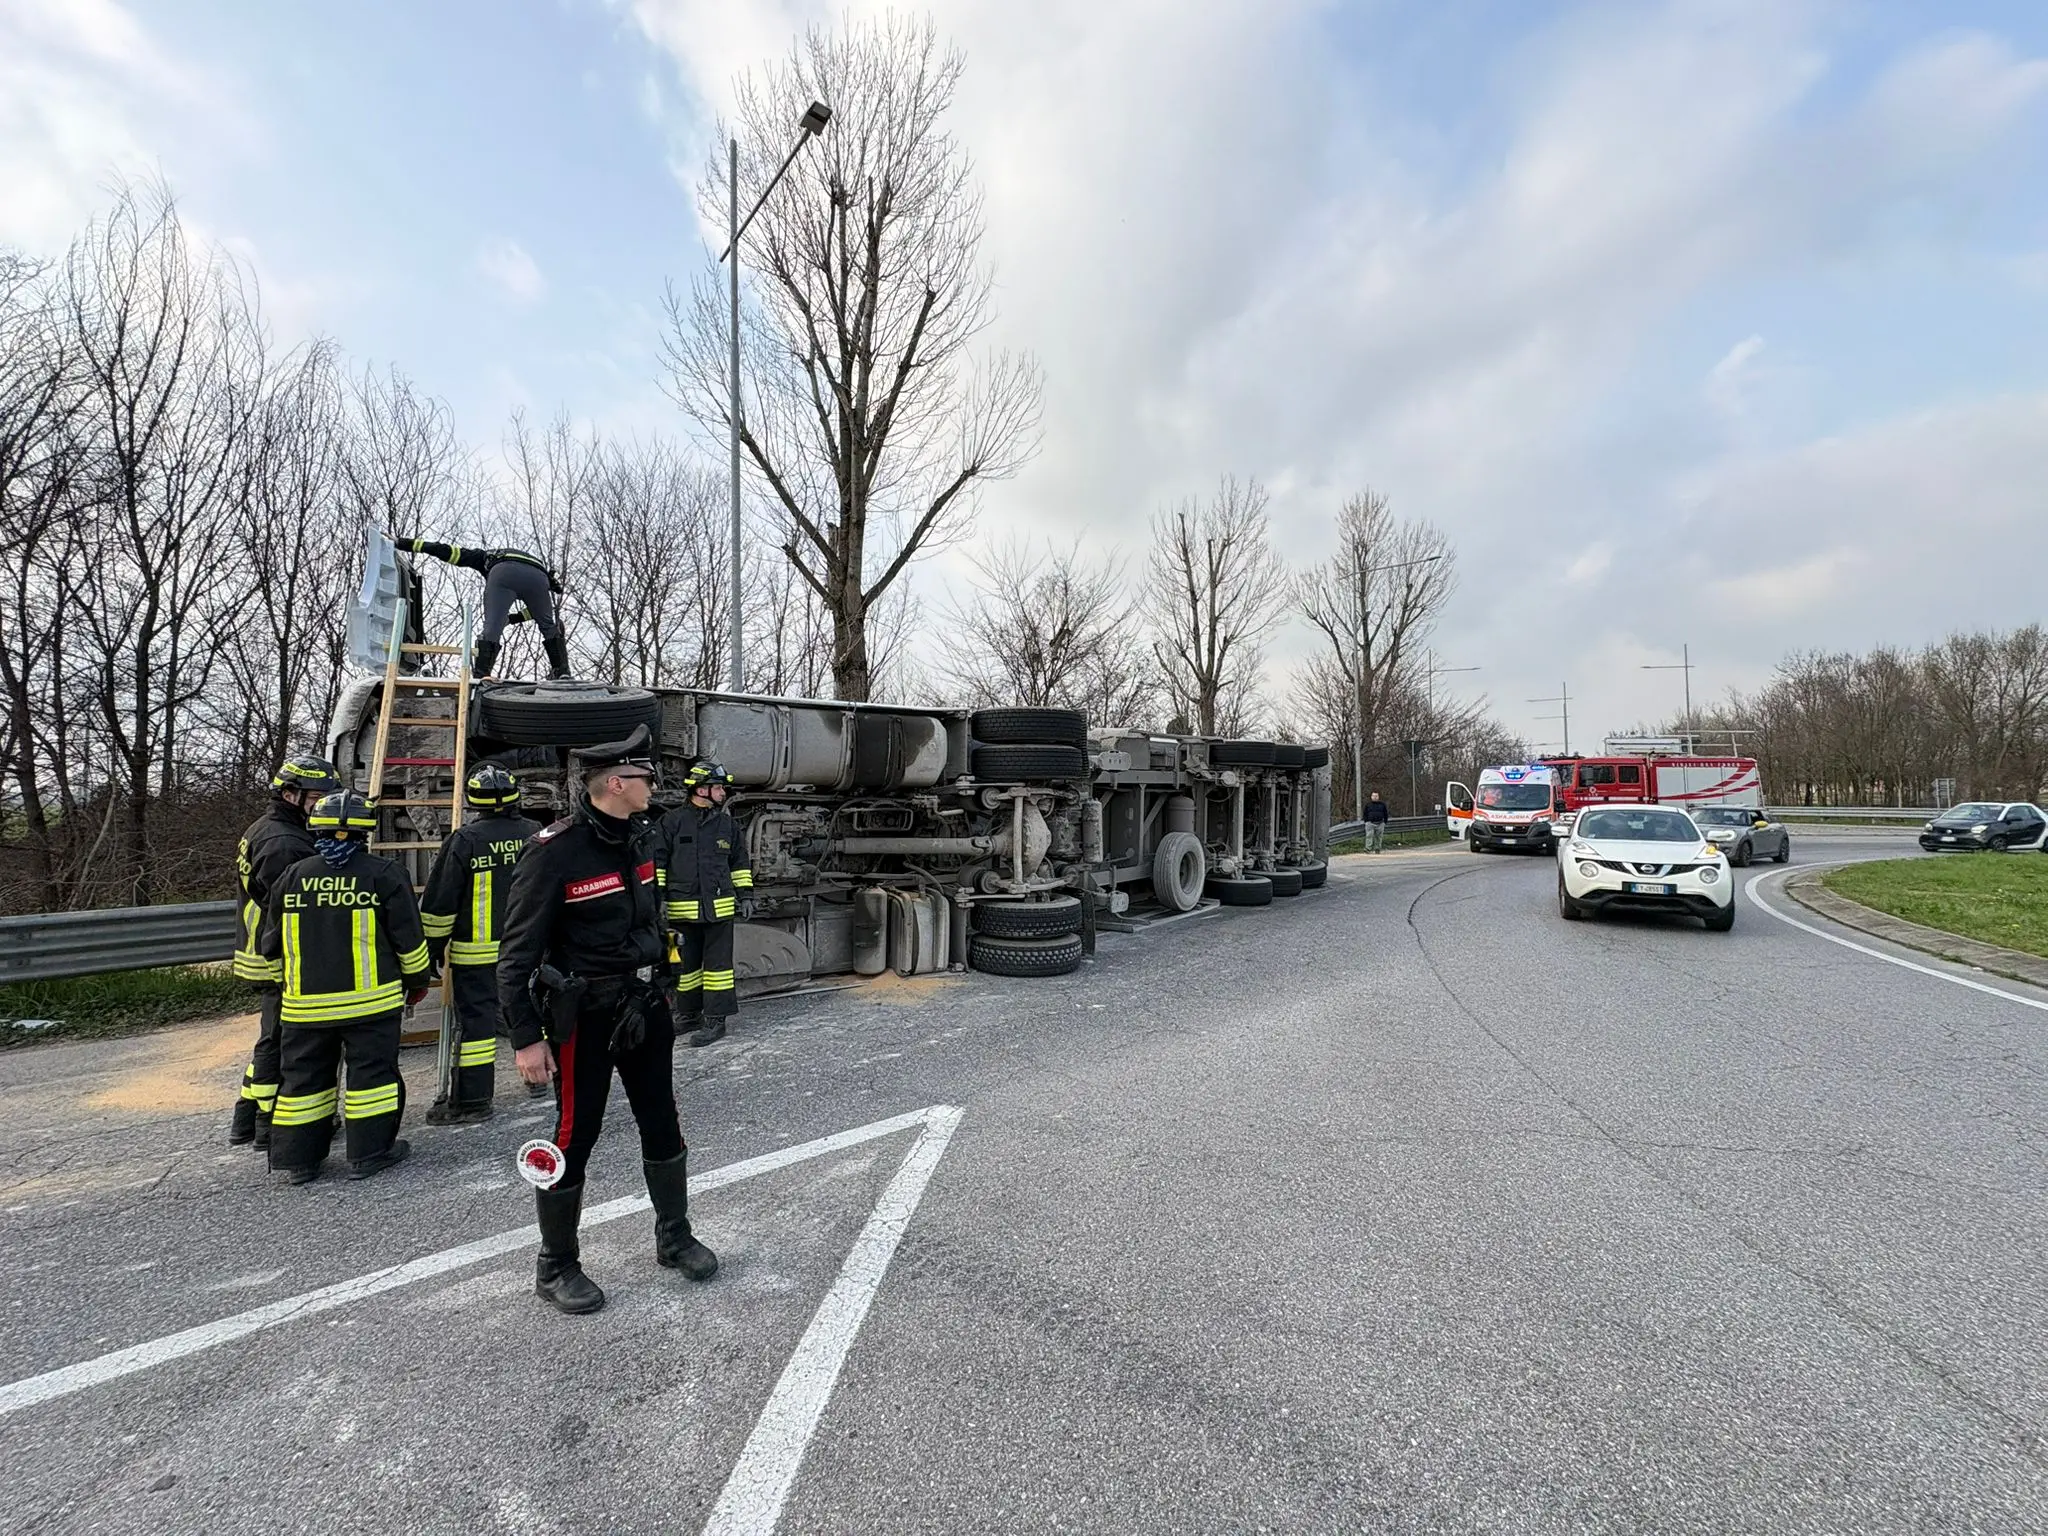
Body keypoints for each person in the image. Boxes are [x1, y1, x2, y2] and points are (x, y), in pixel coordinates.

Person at [496, 724, 717, 1315]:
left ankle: (674, 1238)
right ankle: (556, 1265)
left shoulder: (640, 836)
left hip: (643, 1007)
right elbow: (515, 954)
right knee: (576, 1133)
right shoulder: (555, 852)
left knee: (662, 1121)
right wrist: (525, 1038)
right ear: (615, 783)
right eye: (644, 777)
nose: (653, 786)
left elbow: (649, 917)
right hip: (585, 1017)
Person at [257, 790, 434, 1184]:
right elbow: (410, 940)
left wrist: (285, 987)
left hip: (304, 1008)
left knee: (303, 1081)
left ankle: (299, 1160)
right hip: (370, 1006)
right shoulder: (385, 875)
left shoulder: (293, 877)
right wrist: (418, 983)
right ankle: (370, 1153)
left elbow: (270, 945)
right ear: (365, 832)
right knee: (371, 1078)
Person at [228, 755, 343, 1148]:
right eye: (316, 798)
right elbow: (299, 909)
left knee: (272, 1037)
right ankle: (269, 1126)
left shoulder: (274, 829)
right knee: (283, 1041)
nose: (323, 806)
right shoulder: (284, 845)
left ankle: (248, 1121)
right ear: (290, 794)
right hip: (278, 955)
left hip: (265, 949)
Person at [418, 764, 542, 1123]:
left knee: (477, 1029)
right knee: (537, 1014)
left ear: (474, 801)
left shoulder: (464, 841)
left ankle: (473, 1102)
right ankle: (542, 1080)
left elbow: (440, 904)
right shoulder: (535, 834)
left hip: (478, 953)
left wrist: (430, 950)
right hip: (532, 949)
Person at [655, 761, 754, 1049]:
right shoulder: (672, 822)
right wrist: (657, 899)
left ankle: (715, 1019)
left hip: (719, 913)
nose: (723, 792)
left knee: (718, 968)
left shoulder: (726, 825)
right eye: (718, 787)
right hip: (677, 915)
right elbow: (657, 862)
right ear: (701, 789)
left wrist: (745, 895)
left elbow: (739, 863)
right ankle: (687, 1015)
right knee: (679, 965)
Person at [394, 536, 567, 681]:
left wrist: (403, 543)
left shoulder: (482, 556)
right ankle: (563, 673)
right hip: (539, 576)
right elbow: (537, 611)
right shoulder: (538, 571)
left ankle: (482, 674)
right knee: (547, 624)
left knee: (492, 629)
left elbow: (446, 550)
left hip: (503, 572)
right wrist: (513, 619)